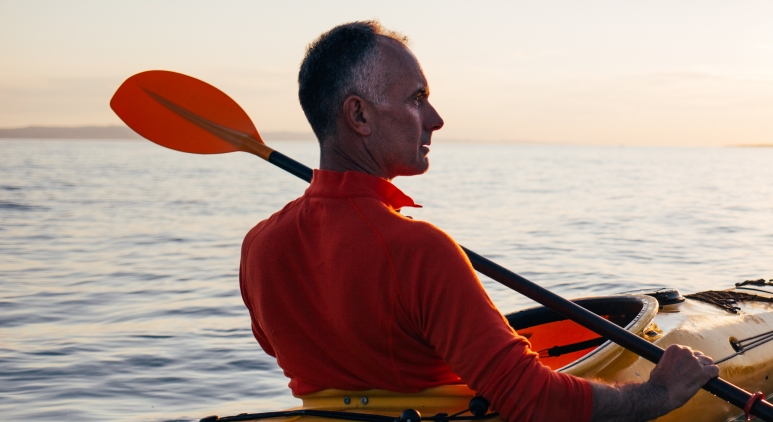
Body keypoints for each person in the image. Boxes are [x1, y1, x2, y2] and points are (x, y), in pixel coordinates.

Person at [239, 21, 719, 422]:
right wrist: (659, 394)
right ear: (358, 115)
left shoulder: (258, 247)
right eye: (416, 98)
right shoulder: (420, 250)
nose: (435, 118)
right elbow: (532, 401)